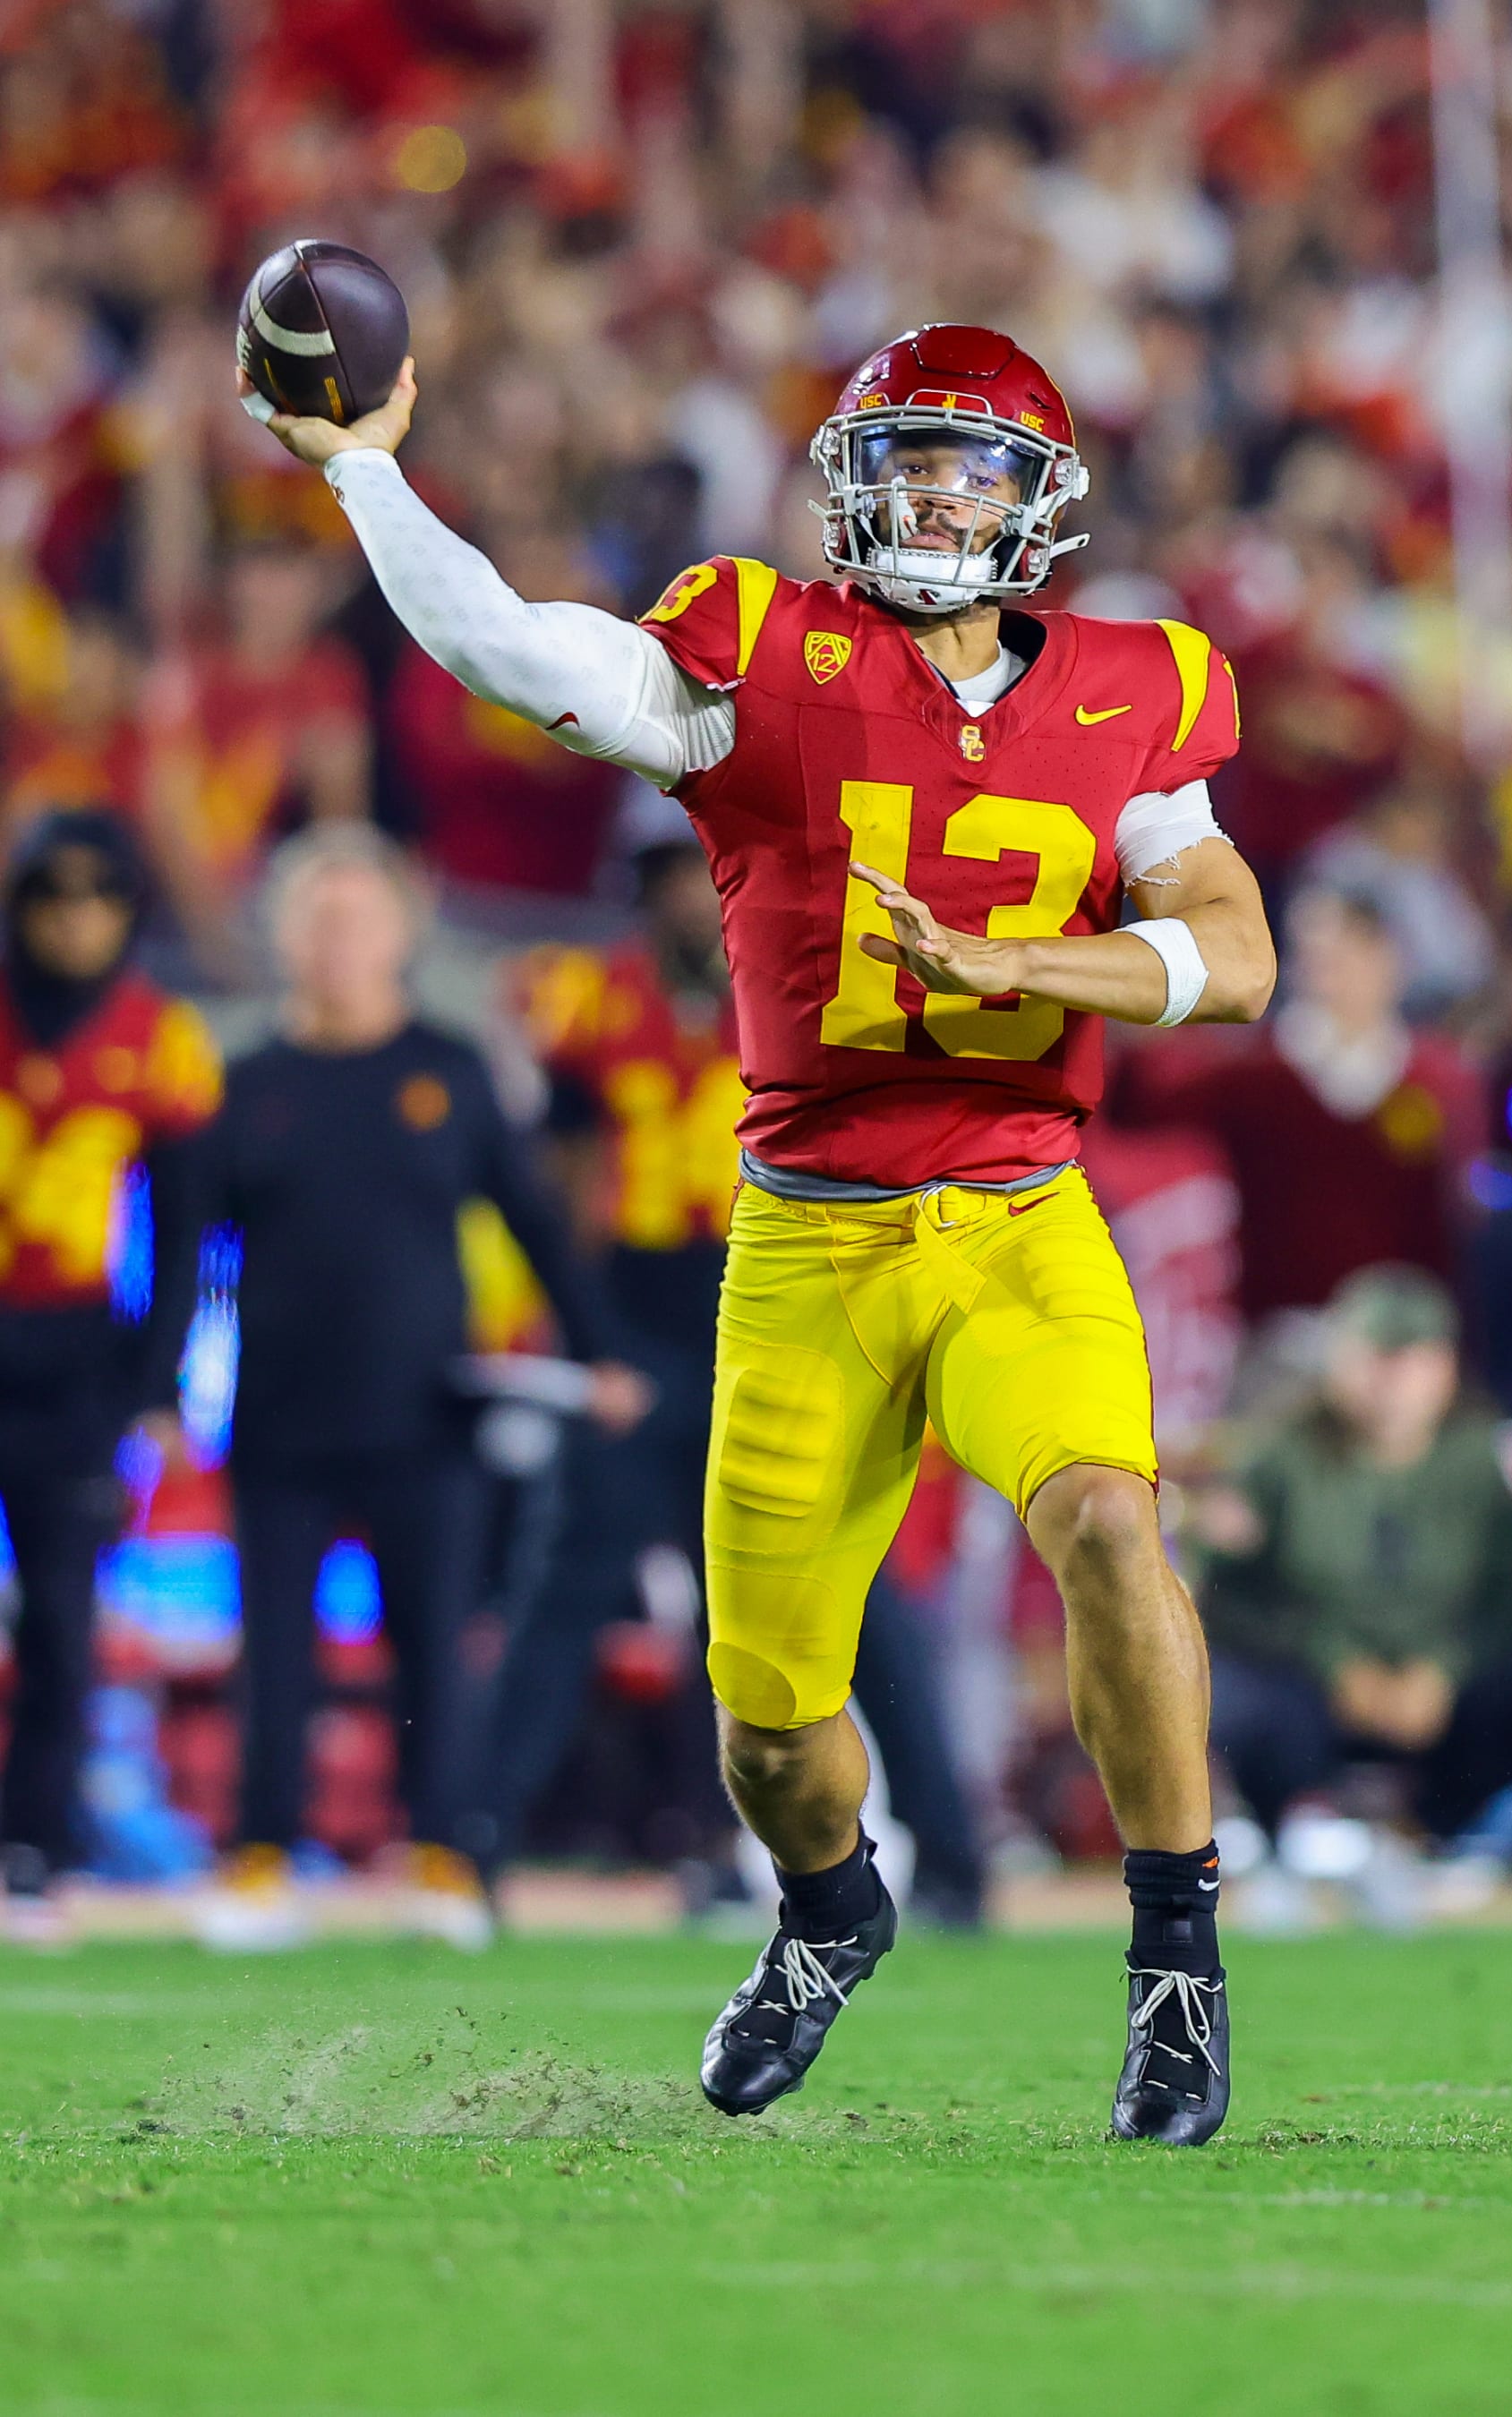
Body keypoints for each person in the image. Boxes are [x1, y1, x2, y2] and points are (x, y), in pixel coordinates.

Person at [248, 320, 1277, 2145]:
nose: (930, 495)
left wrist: (1029, 963)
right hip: (806, 1246)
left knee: (1113, 1520)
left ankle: (1177, 1962)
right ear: (846, 487)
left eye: (966, 463)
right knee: (773, 1730)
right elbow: (511, 650)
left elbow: (1236, 952)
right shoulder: (763, 656)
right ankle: (827, 1913)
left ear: (1040, 503)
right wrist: (362, 469)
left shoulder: (1138, 688)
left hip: (1022, 1211)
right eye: (900, 460)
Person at [479, 804, 987, 1925]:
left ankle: (954, 1857)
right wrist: (582, 1345)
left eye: (707, 869)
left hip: (790, 1329)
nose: (693, 895)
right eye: (673, 872)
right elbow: (559, 1188)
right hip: (643, 1340)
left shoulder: (826, 980)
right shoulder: (592, 1002)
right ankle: (470, 1853)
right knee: (566, 1592)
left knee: (857, 1600)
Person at [196, 824, 647, 1952]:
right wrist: (152, 1387)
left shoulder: (448, 1070)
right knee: (276, 1654)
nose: (340, 938)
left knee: (439, 1646)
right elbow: (184, 1265)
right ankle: (260, 1859)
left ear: (404, 931)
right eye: (319, 916)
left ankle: (447, 1854)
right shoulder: (244, 1085)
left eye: (360, 915)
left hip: (429, 1417)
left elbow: (533, 1221)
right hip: (280, 1418)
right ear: (284, 935)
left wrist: (598, 1352)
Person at [1197, 1267, 1512, 1885]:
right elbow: (1231, 1599)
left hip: (1446, 1699)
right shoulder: (1278, 1458)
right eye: (1373, 1356)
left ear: (1445, 1366)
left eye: (1410, 1358)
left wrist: (1443, 1669)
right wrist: (1339, 1665)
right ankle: (1280, 1834)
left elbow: (1508, 1595)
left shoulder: (1480, 1462)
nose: (1390, 1379)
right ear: (1338, 1360)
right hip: (1314, 1694)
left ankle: (1474, 1835)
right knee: (1233, 1695)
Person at [0, 808, 219, 1943]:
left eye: (98, 897)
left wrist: (156, 1383)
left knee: (63, 1617)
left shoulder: (158, 1035)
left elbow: (182, 1234)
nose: (74, 920)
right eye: (52, 895)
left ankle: (32, 1841)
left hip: (74, 1359)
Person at [1115, 886, 1484, 1323]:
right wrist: (1139, 1001)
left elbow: (1457, 1217)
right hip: (1279, 1332)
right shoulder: (1256, 1074)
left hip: (1398, 1336)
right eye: (1315, 957)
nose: (1331, 975)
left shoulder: (1437, 1082)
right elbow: (1140, 1104)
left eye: (1348, 955)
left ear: (1390, 959)